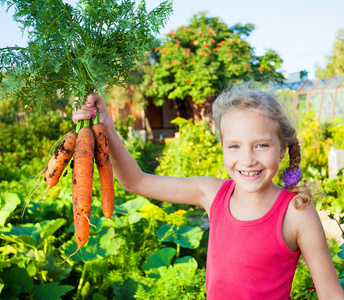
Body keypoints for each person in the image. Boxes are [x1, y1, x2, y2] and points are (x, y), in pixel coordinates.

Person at [72, 83, 344, 299]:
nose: (247, 159)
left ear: (283, 148)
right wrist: (105, 124)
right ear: (223, 147)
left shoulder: (295, 213)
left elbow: (331, 293)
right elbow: (136, 181)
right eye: (234, 146)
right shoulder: (212, 193)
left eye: (261, 145)